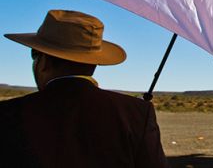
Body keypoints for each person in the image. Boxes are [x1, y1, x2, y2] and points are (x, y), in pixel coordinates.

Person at [0, 10, 168, 168]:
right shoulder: (137, 113)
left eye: (34, 54)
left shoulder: (7, 114)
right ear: (94, 61)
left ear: (44, 62)